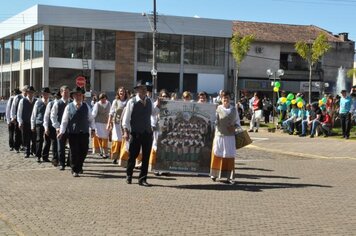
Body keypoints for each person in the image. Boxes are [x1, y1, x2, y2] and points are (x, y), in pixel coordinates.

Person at [122, 80, 159, 186]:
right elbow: (126, 118)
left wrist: (159, 106)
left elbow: (153, 113)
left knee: (146, 157)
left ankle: (142, 179)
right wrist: (125, 131)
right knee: (133, 156)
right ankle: (129, 175)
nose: (144, 90)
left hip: (147, 132)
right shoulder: (132, 102)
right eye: (141, 88)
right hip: (136, 132)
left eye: (145, 88)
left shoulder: (149, 101)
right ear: (137, 90)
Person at [58, 87, 96, 177]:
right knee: (74, 152)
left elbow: (91, 119)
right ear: (73, 96)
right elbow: (64, 121)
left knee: (84, 151)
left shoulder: (86, 106)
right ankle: (74, 169)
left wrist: (93, 129)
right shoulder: (69, 107)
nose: (78, 97)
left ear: (82, 96)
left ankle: (79, 166)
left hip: (84, 132)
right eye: (76, 95)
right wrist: (62, 132)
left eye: (80, 95)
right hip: (73, 133)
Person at [210, 90, 240, 184]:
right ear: (221, 99)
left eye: (227, 98)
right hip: (220, 135)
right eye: (224, 98)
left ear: (229, 99)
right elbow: (213, 121)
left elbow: (238, 122)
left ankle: (229, 176)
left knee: (229, 156)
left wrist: (234, 127)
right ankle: (214, 174)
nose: (225, 99)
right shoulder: (217, 109)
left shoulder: (234, 109)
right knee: (217, 154)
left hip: (230, 137)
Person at [51, 85, 71, 170]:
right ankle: (62, 163)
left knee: (72, 147)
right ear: (61, 93)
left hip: (70, 128)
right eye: (64, 92)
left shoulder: (72, 103)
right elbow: (53, 116)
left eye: (67, 92)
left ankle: (70, 162)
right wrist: (57, 127)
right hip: (60, 128)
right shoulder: (57, 103)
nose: (66, 94)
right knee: (61, 147)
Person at [107, 87, 128, 164]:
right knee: (116, 139)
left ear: (125, 93)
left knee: (124, 140)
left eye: (123, 91)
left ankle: (122, 157)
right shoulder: (115, 101)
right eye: (120, 91)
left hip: (125, 124)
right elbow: (111, 113)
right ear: (118, 93)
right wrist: (108, 123)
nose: (121, 92)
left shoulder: (128, 102)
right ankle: (115, 157)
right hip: (116, 123)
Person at [31, 87, 51, 162]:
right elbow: (34, 114)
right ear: (41, 94)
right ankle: (38, 155)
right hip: (39, 123)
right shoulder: (38, 102)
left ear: (48, 94)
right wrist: (32, 125)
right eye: (43, 94)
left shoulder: (51, 102)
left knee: (48, 140)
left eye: (46, 94)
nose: (45, 95)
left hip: (48, 124)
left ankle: (45, 156)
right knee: (39, 139)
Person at [17, 86, 37, 158]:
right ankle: (27, 151)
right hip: (25, 122)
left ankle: (34, 150)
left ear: (33, 93)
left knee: (34, 137)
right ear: (27, 93)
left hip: (34, 122)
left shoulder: (36, 101)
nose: (30, 94)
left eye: (31, 92)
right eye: (29, 92)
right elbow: (19, 112)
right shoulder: (22, 100)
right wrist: (20, 122)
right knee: (26, 138)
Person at [92, 93, 111, 158]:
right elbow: (94, 113)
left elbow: (110, 113)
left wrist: (110, 122)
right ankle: (101, 151)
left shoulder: (109, 103)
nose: (103, 100)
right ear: (100, 99)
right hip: (98, 123)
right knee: (99, 137)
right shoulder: (97, 104)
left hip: (106, 123)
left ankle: (105, 152)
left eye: (104, 98)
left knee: (105, 138)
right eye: (102, 99)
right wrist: (91, 120)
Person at [43, 91, 60, 164]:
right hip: (51, 126)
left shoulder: (64, 103)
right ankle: (53, 158)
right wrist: (46, 127)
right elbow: (46, 116)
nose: (57, 98)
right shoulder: (51, 104)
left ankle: (57, 158)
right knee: (53, 142)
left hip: (60, 126)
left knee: (57, 143)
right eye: (56, 97)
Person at [10, 85, 28, 153]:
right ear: (23, 91)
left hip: (26, 118)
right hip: (18, 117)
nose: (26, 92)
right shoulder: (18, 97)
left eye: (27, 91)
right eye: (25, 91)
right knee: (17, 132)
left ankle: (24, 145)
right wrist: (12, 117)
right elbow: (13, 107)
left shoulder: (28, 98)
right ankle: (17, 146)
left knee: (25, 133)